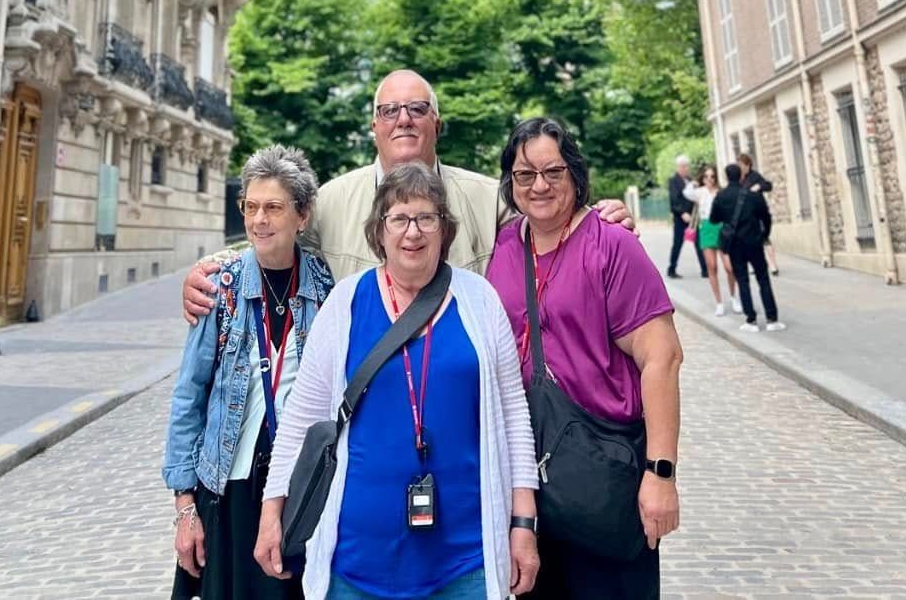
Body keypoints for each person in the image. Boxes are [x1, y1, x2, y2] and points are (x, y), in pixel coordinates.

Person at [255, 163, 540, 600]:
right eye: (400, 218)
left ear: (444, 229)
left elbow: (514, 418)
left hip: (466, 559)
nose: (413, 232)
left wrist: (523, 524)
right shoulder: (345, 303)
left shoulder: (479, 301)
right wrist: (272, 512)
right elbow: (302, 420)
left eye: (426, 218)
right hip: (355, 561)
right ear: (379, 229)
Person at [183, 71, 634, 318]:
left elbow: (549, 219)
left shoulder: (486, 197)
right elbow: (271, 236)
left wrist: (596, 219)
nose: (404, 119)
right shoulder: (332, 200)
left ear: (436, 124)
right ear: (374, 126)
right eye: (389, 110)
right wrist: (214, 270)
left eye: (418, 109)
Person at [487, 118, 682, 600]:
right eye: (524, 175)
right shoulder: (505, 245)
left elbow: (663, 359)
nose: (539, 185)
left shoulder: (612, 244)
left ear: (575, 174)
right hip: (528, 479)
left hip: (604, 473)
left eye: (552, 171)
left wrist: (660, 475)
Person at [164, 146, 334, 600]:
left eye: (274, 207)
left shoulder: (327, 289)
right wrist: (185, 508)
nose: (260, 220)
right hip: (229, 488)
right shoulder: (220, 288)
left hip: (297, 488)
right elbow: (189, 397)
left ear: (302, 215)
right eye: (251, 207)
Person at [710, 164, 784, 333]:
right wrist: (765, 234)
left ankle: (751, 320)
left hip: (735, 245)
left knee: (742, 280)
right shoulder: (752, 196)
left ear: (726, 177)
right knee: (763, 279)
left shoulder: (721, 196)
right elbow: (766, 216)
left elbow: (714, 219)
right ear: (741, 177)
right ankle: (772, 319)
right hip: (754, 241)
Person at [684, 164, 738, 317]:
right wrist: (694, 181)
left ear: (716, 178)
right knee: (712, 266)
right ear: (703, 177)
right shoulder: (699, 192)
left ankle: (734, 297)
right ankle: (719, 302)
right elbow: (686, 192)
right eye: (706, 176)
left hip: (720, 228)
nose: (709, 179)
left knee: (729, 267)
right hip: (706, 228)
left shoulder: (720, 192)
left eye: (712, 176)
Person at [737, 152, 779, 275]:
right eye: (738, 165)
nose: (740, 168)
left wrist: (759, 186)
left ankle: (773, 265)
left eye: (741, 165)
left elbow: (768, 185)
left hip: (758, 212)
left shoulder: (755, 176)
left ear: (748, 165)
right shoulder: (738, 179)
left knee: (764, 238)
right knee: (748, 240)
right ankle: (754, 264)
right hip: (745, 214)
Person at [666, 154, 706, 279]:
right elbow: (674, 200)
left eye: (686, 166)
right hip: (680, 218)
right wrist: (682, 213)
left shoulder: (691, 180)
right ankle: (671, 269)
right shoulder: (673, 181)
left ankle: (705, 270)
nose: (684, 169)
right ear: (677, 167)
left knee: (699, 243)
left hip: (693, 218)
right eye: (682, 166)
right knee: (677, 244)